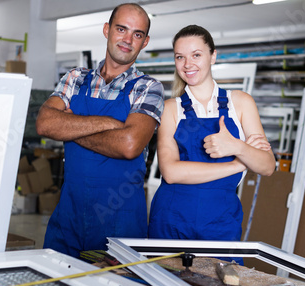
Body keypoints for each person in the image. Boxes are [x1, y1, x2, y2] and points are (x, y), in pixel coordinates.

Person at [36, 3, 164, 258]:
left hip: (120, 223)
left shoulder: (149, 88)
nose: (127, 39)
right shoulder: (75, 78)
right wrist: (110, 125)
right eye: (121, 29)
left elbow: (129, 145)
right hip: (69, 217)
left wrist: (71, 126)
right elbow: (45, 124)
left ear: (145, 41)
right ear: (107, 30)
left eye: (137, 34)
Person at [148, 25, 275, 264]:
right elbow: (171, 172)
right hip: (171, 218)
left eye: (196, 55)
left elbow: (267, 166)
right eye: (180, 57)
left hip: (221, 220)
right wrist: (239, 163)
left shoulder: (241, 103)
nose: (188, 64)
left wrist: (236, 147)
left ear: (213, 55)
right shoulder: (170, 109)